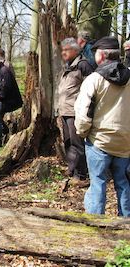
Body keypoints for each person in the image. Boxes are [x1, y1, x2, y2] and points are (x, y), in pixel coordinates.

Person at [74, 36, 130, 216]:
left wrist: (82, 133)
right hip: (125, 143)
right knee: (124, 184)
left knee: (98, 182)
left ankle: (95, 225)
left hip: (99, 141)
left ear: (102, 55)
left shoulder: (94, 80)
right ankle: (126, 225)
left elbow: (83, 113)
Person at [58, 38, 94, 185]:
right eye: (62, 50)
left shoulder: (83, 65)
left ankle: (82, 175)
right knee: (68, 142)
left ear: (75, 50)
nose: (63, 53)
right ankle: (72, 168)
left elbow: (91, 89)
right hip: (65, 110)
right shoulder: (68, 66)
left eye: (66, 50)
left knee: (77, 143)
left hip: (76, 112)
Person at [0, 54, 23, 148]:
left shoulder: (4, 71)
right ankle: (3, 132)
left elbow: (7, 87)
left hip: (8, 100)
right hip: (1, 98)